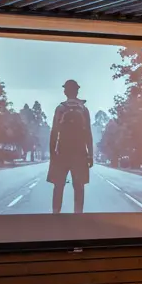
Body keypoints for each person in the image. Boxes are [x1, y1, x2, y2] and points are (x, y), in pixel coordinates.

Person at [47, 79, 93, 213]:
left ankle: (56, 214)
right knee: (79, 187)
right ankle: (78, 215)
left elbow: (54, 132)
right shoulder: (84, 109)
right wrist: (90, 154)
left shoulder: (60, 108)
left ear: (65, 91)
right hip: (79, 152)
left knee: (58, 186)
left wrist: (52, 154)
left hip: (62, 152)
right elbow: (88, 133)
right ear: (77, 90)